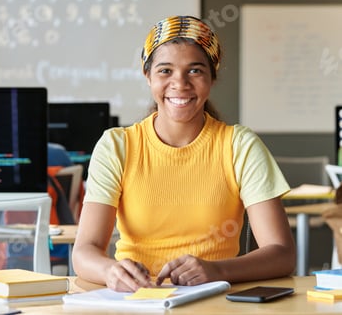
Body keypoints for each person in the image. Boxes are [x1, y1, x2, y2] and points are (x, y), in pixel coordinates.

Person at [72, 15, 296, 292]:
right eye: (165, 70)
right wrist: (110, 271)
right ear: (148, 76)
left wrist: (217, 269)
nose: (180, 83)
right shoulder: (117, 146)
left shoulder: (240, 145)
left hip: (216, 302)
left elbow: (282, 253)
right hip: (137, 303)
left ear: (212, 77)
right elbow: (84, 252)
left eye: (195, 70)